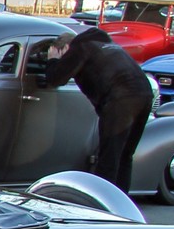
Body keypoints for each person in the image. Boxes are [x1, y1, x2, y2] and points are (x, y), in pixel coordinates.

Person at [42, 25, 154, 190]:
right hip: (145, 94)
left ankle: (102, 200)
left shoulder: (80, 47)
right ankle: (120, 201)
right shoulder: (104, 43)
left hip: (120, 98)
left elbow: (56, 79)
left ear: (65, 48)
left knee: (109, 158)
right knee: (125, 156)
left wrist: (53, 60)